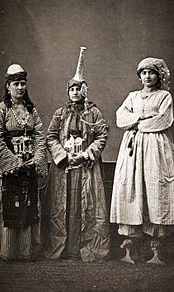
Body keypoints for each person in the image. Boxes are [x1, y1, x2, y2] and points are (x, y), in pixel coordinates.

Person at [42, 47, 110, 262]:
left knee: (87, 207)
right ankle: (62, 248)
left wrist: (87, 154)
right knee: (62, 206)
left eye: (78, 89)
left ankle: (87, 248)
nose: (74, 92)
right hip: (64, 168)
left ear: (85, 91)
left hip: (87, 168)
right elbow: (51, 136)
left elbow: (102, 135)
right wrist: (63, 155)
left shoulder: (94, 112)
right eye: (71, 89)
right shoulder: (60, 113)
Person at [110, 57, 174, 264]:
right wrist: (139, 120)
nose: (147, 77)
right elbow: (120, 117)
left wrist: (138, 123)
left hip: (156, 146)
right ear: (139, 76)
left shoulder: (164, 96)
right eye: (144, 73)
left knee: (155, 188)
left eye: (151, 73)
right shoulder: (132, 97)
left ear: (158, 75)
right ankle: (130, 249)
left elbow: (163, 119)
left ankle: (156, 250)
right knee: (132, 187)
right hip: (132, 147)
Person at [0, 64, 48, 260]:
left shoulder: (31, 110)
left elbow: (40, 136)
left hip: (29, 164)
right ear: (8, 86)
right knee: (8, 203)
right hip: (8, 167)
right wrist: (14, 161)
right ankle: (7, 249)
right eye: (16, 84)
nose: (20, 88)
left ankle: (26, 250)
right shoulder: (1, 110)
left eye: (23, 83)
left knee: (28, 203)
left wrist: (37, 158)